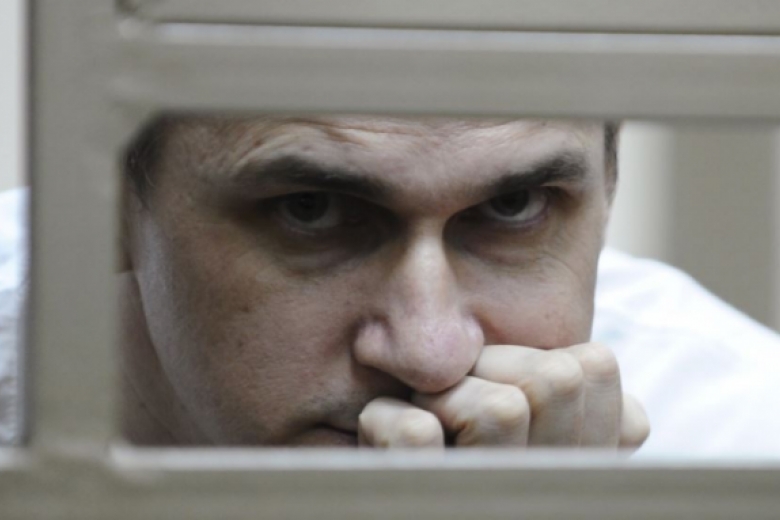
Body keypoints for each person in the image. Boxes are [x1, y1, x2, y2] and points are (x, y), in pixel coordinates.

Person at [2, 116, 780, 455]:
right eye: (310, 210)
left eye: (514, 206)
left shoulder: (737, 439)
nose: (430, 354)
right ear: (106, 203)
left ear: (609, 188)